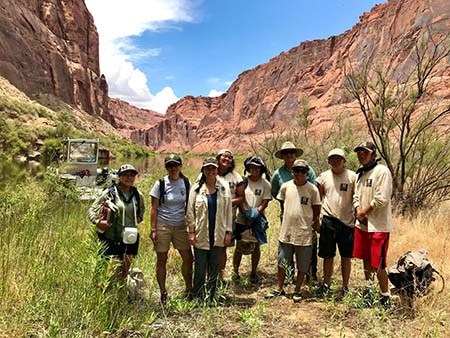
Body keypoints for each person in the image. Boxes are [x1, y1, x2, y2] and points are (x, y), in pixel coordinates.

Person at [265, 159, 321, 302]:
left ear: (307, 173)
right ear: (292, 172)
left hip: (304, 232)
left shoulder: (312, 190)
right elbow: (283, 205)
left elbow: (316, 209)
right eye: (297, 171)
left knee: (303, 263)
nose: (300, 174)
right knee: (282, 261)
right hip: (287, 231)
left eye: (303, 171)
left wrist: (312, 223)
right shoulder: (285, 187)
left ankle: (297, 289)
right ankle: (279, 288)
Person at [186, 157, 233, 302]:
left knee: (214, 266)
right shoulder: (196, 189)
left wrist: (228, 232)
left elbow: (228, 212)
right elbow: (190, 211)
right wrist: (191, 232)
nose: (210, 171)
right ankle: (198, 295)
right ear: (203, 170)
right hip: (201, 233)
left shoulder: (224, 188)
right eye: (208, 168)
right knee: (200, 267)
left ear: (217, 170)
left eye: (213, 168)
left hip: (218, 233)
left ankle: (211, 296)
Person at [352, 141, 393, 307]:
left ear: (373, 155)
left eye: (365, 152)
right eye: (359, 152)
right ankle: (368, 290)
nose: (361, 154)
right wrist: (357, 210)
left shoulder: (382, 171)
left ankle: (385, 296)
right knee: (366, 259)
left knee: (380, 262)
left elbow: (382, 198)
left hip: (378, 226)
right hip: (362, 225)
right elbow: (356, 196)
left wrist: (364, 211)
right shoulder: (360, 173)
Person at [271, 141, 318, 281]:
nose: (289, 155)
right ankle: (290, 276)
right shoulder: (278, 174)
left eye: (292, 152)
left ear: (295, 154)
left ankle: (310, 275)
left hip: (306, 216)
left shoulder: (309, 171)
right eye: (286, 153)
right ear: (282, 156)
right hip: (287, 215)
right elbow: (276, 193)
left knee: (308, 245)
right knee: (287, 245)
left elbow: (314, 193)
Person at [149, 154, 193, 304]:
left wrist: (191, 226)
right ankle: (163, 292)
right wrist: (153, 229)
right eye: (170, 166)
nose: (173, 168)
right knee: (162, 259)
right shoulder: (160, 183)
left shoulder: (186, 183)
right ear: (166, 168)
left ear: (180, 166)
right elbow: (154, 208)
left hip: (181, 225)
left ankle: (189, 288)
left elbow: (191, 204)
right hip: (163, 225)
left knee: (188, 258)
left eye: (176, 165)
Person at [88, 164, 145, 279]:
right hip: (112, 238)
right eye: (125, 175)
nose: (129, 178)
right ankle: (104, 294)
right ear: (119, 177)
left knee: (124, 272)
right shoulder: (110, 193)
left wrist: (137, 219)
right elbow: (91, 210)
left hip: (130, 238)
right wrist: (98, 222)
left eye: (132, 175)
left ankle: (121, 294)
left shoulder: (138, 195)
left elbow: (141, 211)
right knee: (109, 273)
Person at [316, 148, 356, 297]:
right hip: (328, 219)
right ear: (328, 161)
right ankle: (326, 284)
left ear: (344, 160)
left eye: (338, 158)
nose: (335, 161)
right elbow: (318, 198)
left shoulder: (352, 176)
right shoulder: (323, 177)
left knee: (346, 256)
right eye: (332, 158)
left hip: (347, 222)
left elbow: (356, 197)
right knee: (328, 255)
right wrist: (317, 219)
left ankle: (345, 286)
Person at [232, 156, 272, 283]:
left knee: (256, 246)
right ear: (248, 168)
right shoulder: (242, 182)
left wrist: (255, 213)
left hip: (257, 218)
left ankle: (253, 272)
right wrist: (245, 213)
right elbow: (239, 198)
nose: (254, 169)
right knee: (239, 246)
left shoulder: (265, 184)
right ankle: (235, 271)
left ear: (262, 169)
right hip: (241, 218)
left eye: (257, 167)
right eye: (252, 167)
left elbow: (265, 201)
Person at [215, 149, 245, 282]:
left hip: (228, 219)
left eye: (230, 158)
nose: (227, 159)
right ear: (218, 158)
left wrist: (225, 202)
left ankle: (220, 277)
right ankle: (208, 276)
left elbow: (241, 197)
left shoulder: (236, 177)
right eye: (224, 157)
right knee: (209, 247)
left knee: (222, 248)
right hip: (210, 218)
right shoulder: (209, 172)